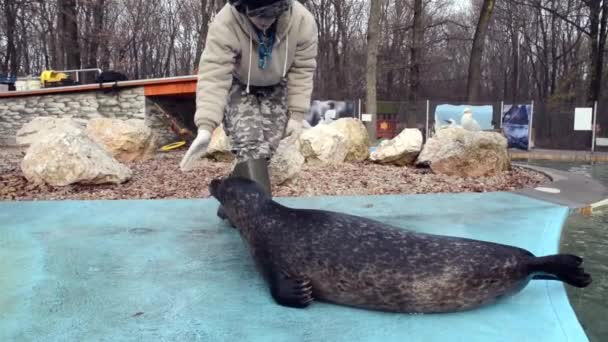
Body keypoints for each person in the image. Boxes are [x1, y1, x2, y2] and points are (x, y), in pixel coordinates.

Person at [179, 0, 318, 219]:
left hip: (276, 86)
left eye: (269, 15)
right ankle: (261, 218)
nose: (263, 22)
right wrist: (206, 126)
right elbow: (214, 74)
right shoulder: (225, 22)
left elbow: (303, 69)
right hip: (238, 85)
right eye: (257, 15)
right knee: (251, 146)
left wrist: (297, 113)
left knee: (266, 151)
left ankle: (230, 200)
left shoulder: (303, 22)